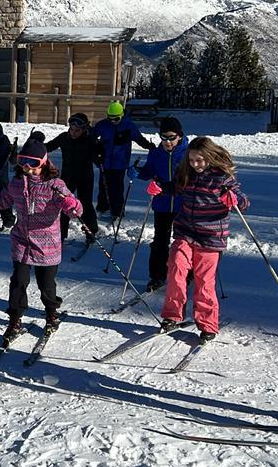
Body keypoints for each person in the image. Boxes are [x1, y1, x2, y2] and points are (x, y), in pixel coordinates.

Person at [0, 138, 83, 343]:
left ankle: (52, 314)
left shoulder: (55, 185)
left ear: (44, 162)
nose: (27, 167)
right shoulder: (16, 184)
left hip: (47, 245)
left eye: (33, 163)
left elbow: (76, 210)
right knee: (18, 282)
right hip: (22, 242)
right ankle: (15, 319)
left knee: (47, 285)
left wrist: (72, 205)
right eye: (23, 161)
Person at [158, 136, 247, 342]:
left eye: (199, 160)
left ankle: (207, 324)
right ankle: (172, 315)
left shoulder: (222, 178)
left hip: (210, 238)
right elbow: (174, 188)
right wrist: (159, 188)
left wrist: (234, 200)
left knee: (204, 282)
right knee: (176, 269)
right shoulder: (187, 174)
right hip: (185, 232)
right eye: (191, 160)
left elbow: (243, 202)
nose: (195, 164)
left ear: (209, 157)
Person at [130, 117, 189, 292]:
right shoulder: (156, 153)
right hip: (162, 204)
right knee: (160, 242)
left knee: (184, 242)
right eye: (164, 137)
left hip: (184, 205)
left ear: (179, 136)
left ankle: (187, 273)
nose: (167, 142)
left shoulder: (188, 153)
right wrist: (138, 172)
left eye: (171, 137)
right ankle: (157, 276)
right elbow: (149, 171)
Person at [92, 101, 154, 218]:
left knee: (117, 188)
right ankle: (102, 208)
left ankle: (117, 212)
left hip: (119, 164)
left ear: (122, 115)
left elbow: (139, 139)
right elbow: (91, 138)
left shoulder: (128, 126)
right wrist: (96, 151)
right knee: (103, 186)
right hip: (104, 163)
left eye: (116, 119)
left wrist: (149, 146)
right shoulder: (103, 125)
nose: (113, 121)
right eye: (110, 118)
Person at [45, 113, 100, 243]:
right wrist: (35, 145)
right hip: (67, 177)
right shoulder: (64, 138)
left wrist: (100, 152)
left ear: (84, 129)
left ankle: (90, 232)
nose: (74, 133)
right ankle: (61, 234)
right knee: (64, 204)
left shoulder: (89, 141)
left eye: (77, 131)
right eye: (72, 129)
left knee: (85, 204)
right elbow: (49, 146)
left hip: (85, 177)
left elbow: (98, 159)